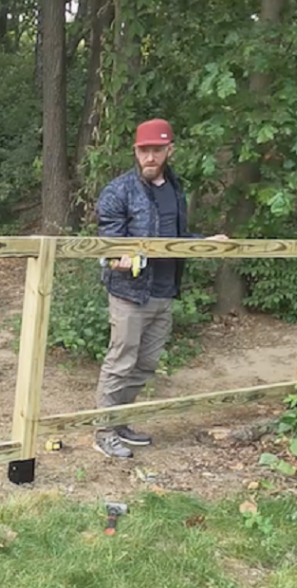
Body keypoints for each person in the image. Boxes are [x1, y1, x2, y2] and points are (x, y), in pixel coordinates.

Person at [93, 118, 228, 459]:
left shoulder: (175, 188)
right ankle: (103, 431)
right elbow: (109, 241)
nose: (150, 157)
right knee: (120, 362)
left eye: (157, 150)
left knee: (146, 364)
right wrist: (117, 256)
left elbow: (176, 238)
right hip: (129, 293)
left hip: (165, 291)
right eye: (144, 150)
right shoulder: (118, 191)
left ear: (170, 150)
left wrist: (204, 243)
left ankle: (120, 421)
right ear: (135, 152)